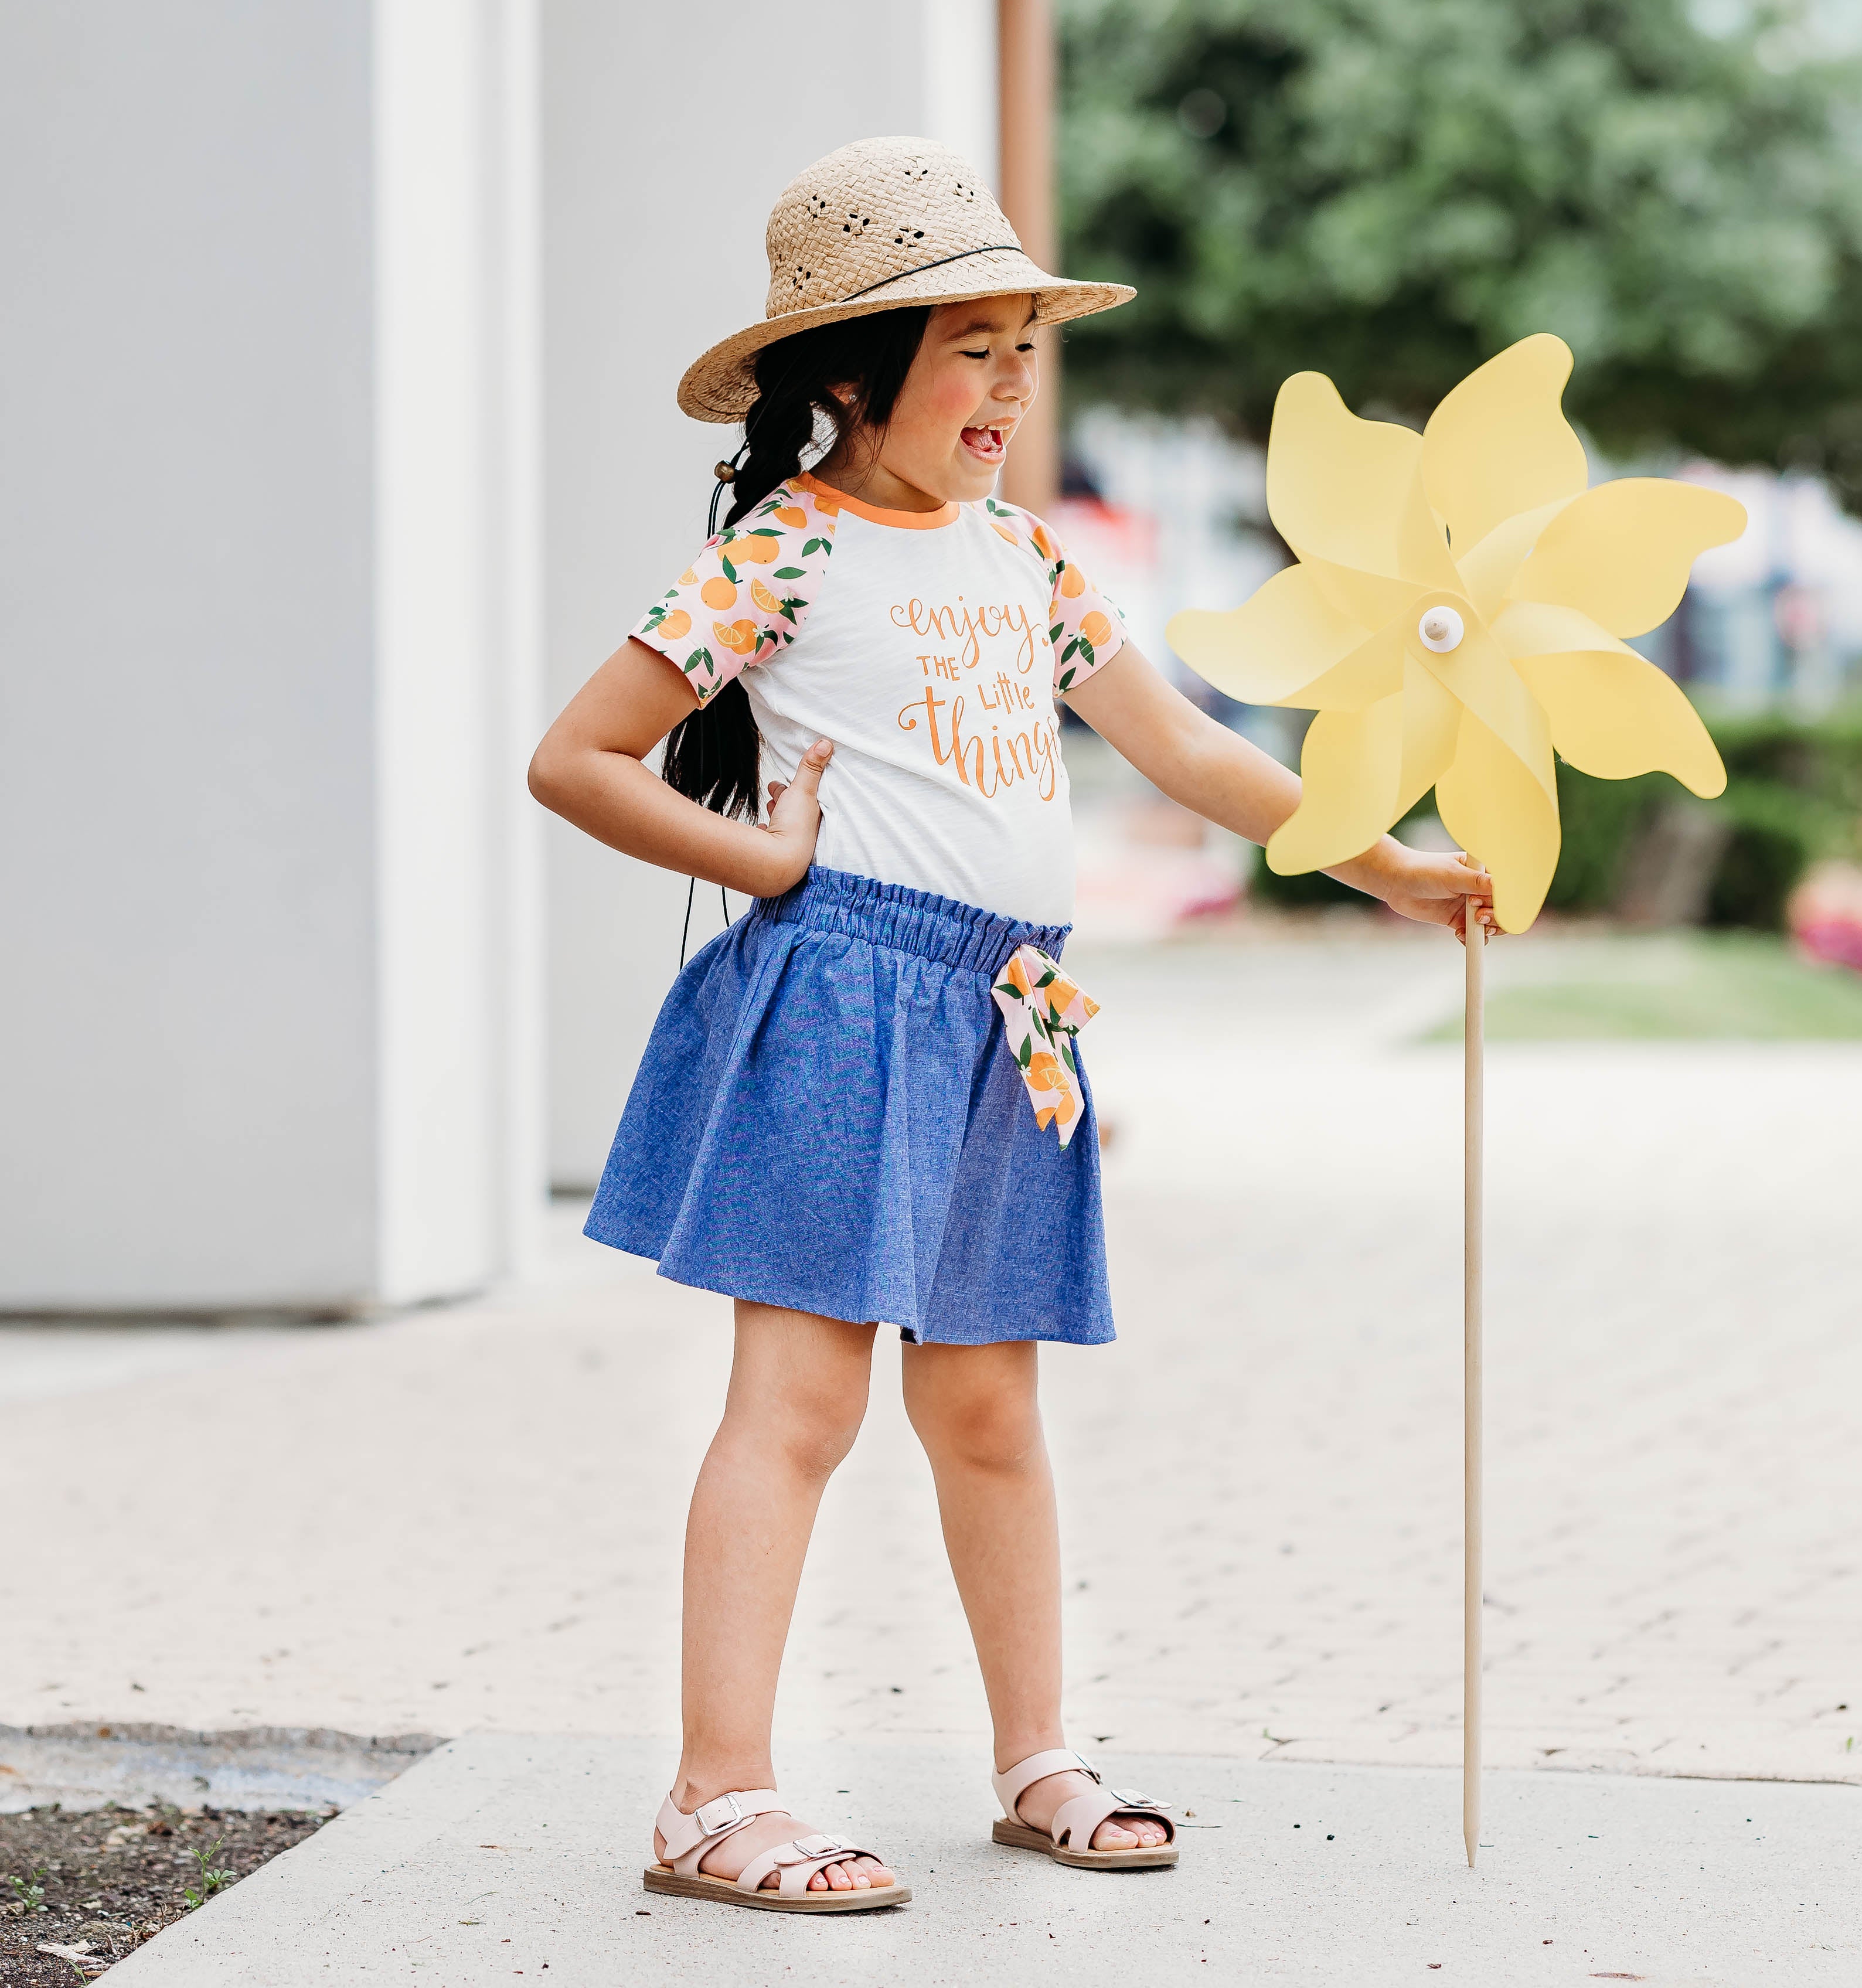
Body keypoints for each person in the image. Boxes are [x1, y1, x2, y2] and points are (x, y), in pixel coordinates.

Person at [529, 135, 1494, 1915]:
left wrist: (1385, 870)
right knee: (800, 1406)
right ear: (847, 375)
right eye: (967, 349)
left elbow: (1189, 749)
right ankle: (712, 1795)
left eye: (1019, 351)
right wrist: (754, 855)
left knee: (987, 1411)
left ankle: (1035, 1754)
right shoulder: (781, 555)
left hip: (1006, 1015)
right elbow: (573, 757)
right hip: (838, 1002)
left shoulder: (1025, 559)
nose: (1006, 386)